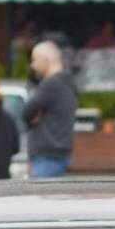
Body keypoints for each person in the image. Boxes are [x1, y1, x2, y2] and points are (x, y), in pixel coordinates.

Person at [22, 40, 78, 178]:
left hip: (47, 157)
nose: (33, 66)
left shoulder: (50, 84)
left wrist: (35, 116)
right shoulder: (67, 83)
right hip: (59, 154)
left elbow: (26, 112)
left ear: (44, 60)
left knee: (40, 198)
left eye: (34, 60)